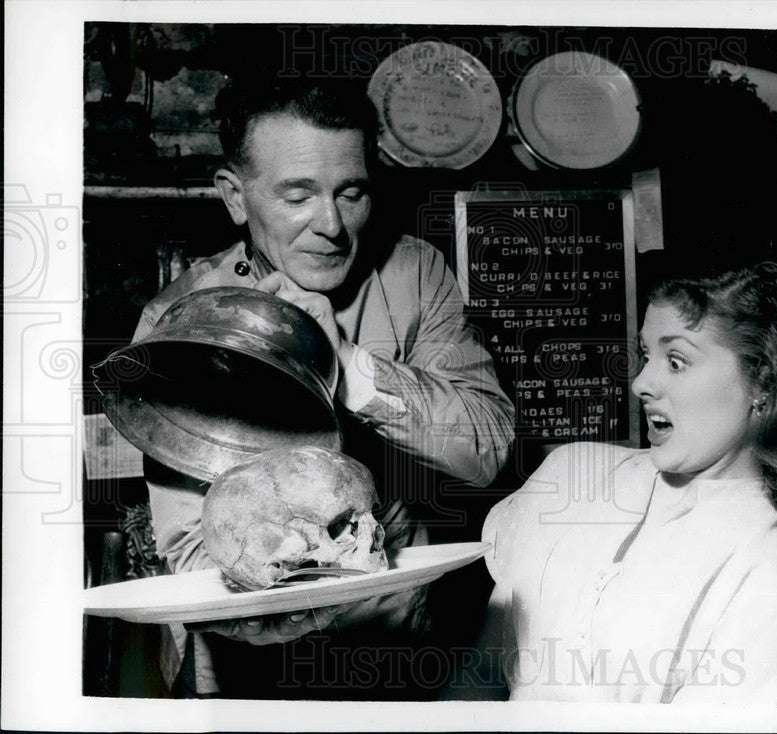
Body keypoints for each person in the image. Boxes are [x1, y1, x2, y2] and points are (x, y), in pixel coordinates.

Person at [132, 77, 516, 698]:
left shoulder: (415, 274)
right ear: (235, 196)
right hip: (246, 663)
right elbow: (188, 541)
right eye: (297, 196)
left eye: (352, 192)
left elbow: (490, 447)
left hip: (402, 650)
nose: (332, 225)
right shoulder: (179, 320)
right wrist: (274, 621)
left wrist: (344, 361)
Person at [450, 261, 777, 704]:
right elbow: (484, 666)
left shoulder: (764, 567)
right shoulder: (572, 474)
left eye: (676, 361)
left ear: (762, 380)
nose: (641, 383)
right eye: (646, 355)